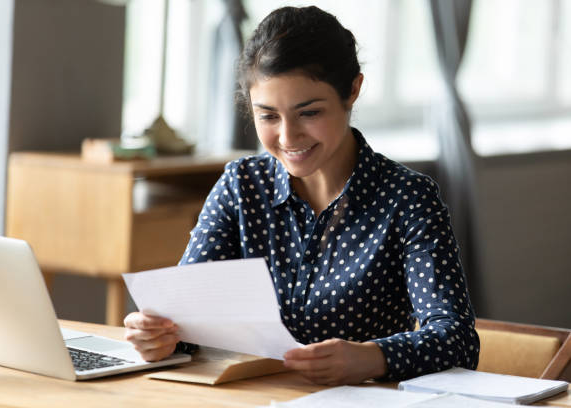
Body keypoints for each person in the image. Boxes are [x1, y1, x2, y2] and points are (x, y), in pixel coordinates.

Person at [124, 5, 480, 385]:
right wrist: (158, 336)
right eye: (268, 116)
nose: (288, 138)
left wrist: (371, 358)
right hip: (248, 396)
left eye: (309, 113)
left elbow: (457, 339)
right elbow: (186, 318)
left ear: (353, 91)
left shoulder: (408, 199)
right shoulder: (241, 185)